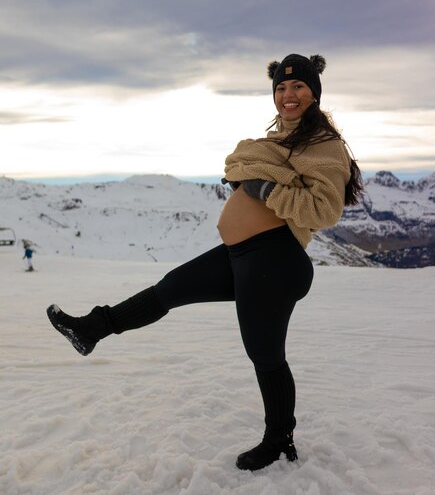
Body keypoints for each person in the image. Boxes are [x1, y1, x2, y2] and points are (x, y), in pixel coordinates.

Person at [46, 53, 363, 471]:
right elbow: (250, 170)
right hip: (243, 255)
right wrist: (254, 178)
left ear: (314, 93)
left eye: (299, 87)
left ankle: (279, 440)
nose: (289, 95)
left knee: (265, 355)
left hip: (274, 261)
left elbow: (323, 209)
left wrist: (262, 187)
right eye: (281, 88)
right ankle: (93, 329)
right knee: (170, 288)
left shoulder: (323, 145)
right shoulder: (278, 143)